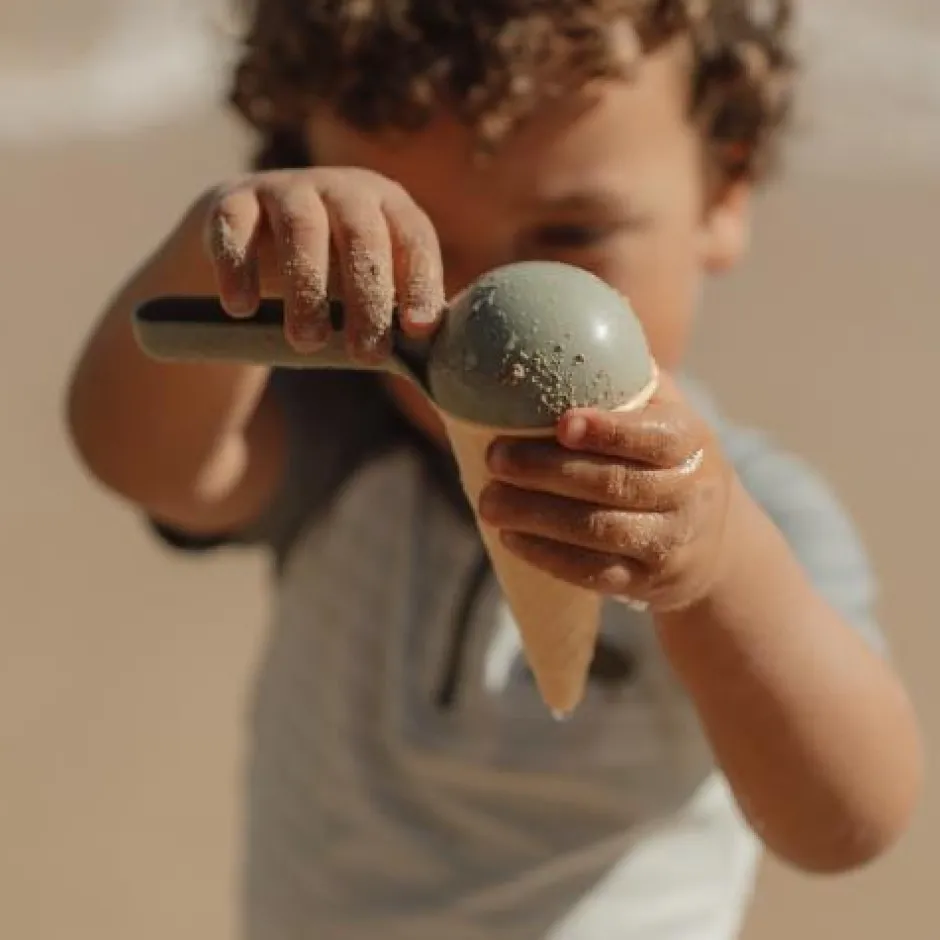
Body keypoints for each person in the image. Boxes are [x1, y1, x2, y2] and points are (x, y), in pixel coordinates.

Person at [66, 2, 923, 938]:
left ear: (723, 191)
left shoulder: (751, 519)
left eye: (569, 234)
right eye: (408, 256)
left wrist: (720, 573)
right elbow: (137, 453)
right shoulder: (339, 450)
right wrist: (221, 255)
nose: (484, 315)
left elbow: (846, 821)